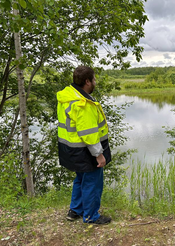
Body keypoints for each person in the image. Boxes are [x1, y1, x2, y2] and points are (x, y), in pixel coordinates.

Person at [57, 66, 112, 224]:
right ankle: (90, 216)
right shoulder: (83, 103)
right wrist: (99, 155)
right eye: (94, 79)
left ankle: (75, 210)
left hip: (71, 149)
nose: (95, 82)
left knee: (80, 179)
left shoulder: (68, 96)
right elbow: (88, 133)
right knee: (93, 182)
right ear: (87, 81)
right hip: (86, 150)